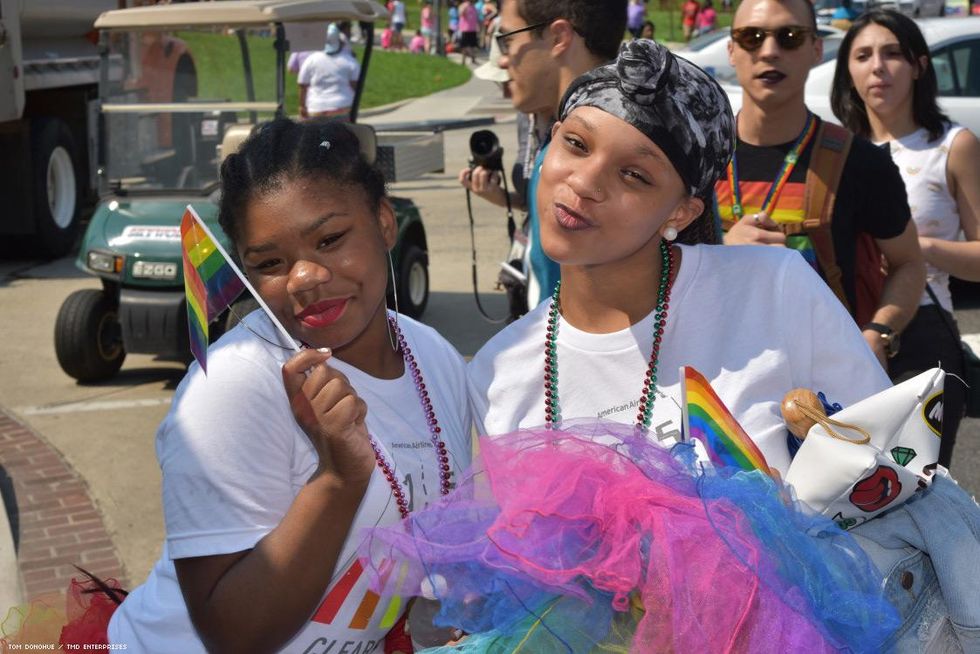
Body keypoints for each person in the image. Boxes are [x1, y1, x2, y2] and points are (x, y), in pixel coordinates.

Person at [466, 39, 980, 652]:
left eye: (634, 173)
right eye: (575, 143)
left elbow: (886, 485)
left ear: (680, 210)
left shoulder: (775, 290)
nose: (584, 182)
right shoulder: (500, 371)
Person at [106, 120, 473, 652]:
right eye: (270, 263)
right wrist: (338, 477)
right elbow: (233, 635)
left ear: (385, 222)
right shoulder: (234, 386)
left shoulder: (434, 357)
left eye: (330, 239)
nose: (303, 278)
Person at [717, 0, 925, 369]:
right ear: (732, 50)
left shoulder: (860, 162)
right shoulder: (693, 158)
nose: (769, 51)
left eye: (790, 37)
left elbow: (908, 263)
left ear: (816, 49)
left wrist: (877, 334)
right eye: (752, 37)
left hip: (825, 387)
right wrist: (720, 250)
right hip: (712, 376)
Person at [831, 9, 980, 468]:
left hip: (921, 333)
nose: (878, 66)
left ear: (918, 65)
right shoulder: (834, 151)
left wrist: (917, 252)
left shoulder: (953, 145)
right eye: (863, 55)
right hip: (840, 330)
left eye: (892, 53)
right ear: (848, 72)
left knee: (919, 490)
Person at [459, 0, 628, 312]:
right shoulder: (653, 137)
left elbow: (557, 318)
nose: (505, 60)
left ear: (558, 38)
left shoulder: (566, 157)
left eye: (508, 41)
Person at [297, 24, 360, 120]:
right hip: (342, 107)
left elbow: (302, 85)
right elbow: (355, 85)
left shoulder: (311, 60)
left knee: (318, 135)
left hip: (316, 108)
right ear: (339, 41)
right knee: (340, 134)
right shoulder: (350, 61)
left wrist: (302, 106)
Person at [458, 0, 481, 65]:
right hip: (465, 29)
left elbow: (476, 18)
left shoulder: (474, 7)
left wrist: (478, 26)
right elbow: (460, 13)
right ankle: (465, 60)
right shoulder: (463, 6)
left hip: (473, 29)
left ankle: (472, 59)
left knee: (473, 45)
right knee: (464, 46)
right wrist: (465, 7)